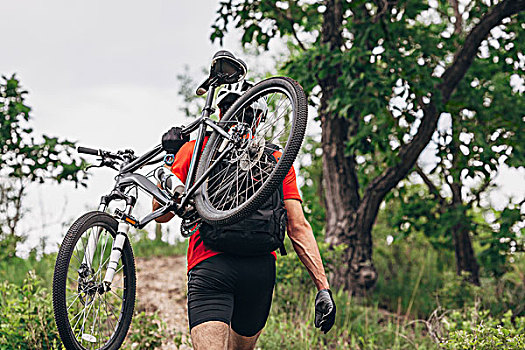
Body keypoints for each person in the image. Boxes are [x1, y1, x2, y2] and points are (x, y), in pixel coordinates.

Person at [153, 81, 336, 350]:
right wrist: (323, 287)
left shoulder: (195, 150)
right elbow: (298, 228)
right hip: (259, 271)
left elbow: (161, 214)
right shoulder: (276, 159)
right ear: (260, 119)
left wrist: (171, 157)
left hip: (210, 264)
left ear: (220, 114)